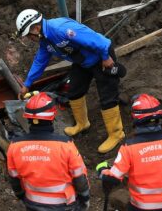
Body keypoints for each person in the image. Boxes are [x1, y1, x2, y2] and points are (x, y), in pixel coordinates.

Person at [15, 9, 126, 153]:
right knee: (74, 91)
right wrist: (27, 84)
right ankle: (82, 123)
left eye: (29, 35)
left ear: (36, 28)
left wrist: (105, 57)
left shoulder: (61, 29)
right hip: (83, 62)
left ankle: (116, 134)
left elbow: (98, 41)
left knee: (107, 95)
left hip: (100, 55)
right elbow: (40, 60)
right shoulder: (45, 40)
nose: (30, 39)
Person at [97, 94, 162, 211]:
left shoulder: (129, 148)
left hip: (141, 207)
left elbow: (112, 179)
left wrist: (102, 170)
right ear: (160, 118)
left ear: (136, 120)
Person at [7, 92, 90, 211]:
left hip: (32, 204)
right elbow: (79, 178)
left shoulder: (14, 146)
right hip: (65, 205)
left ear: (28, 117)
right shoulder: (65, 145)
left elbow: (14, 179)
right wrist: (85, 199)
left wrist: (21, 197)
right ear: (52, 116)